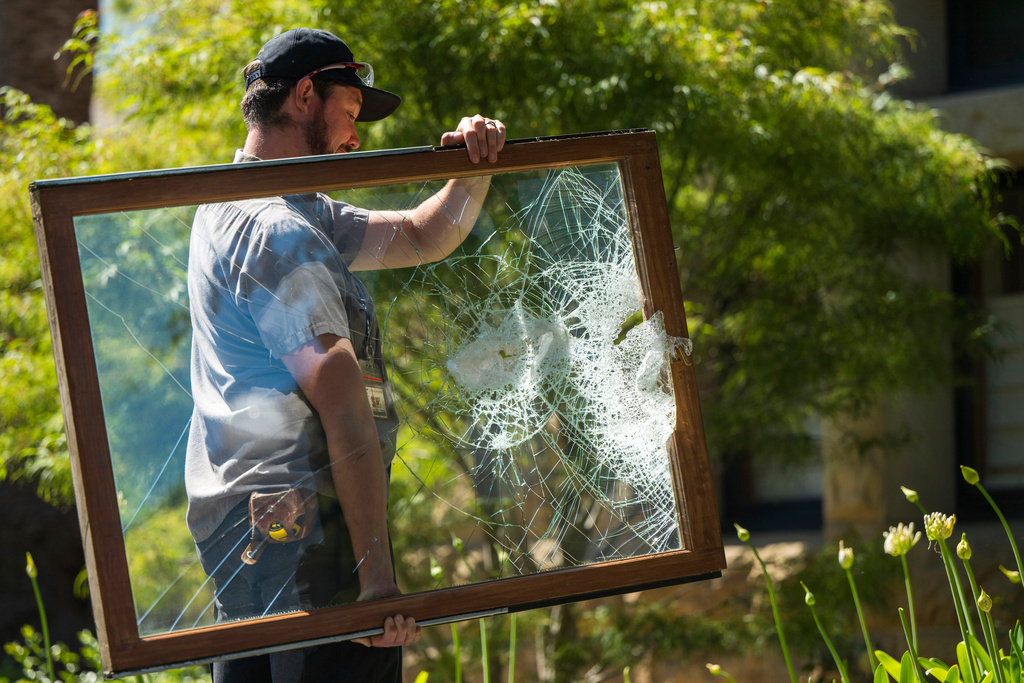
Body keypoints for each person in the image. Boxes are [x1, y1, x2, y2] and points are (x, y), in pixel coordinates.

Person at [184, 27, 506, 682]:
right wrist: (377, 583)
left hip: (269, 539)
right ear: (304, 95)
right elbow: (337, 385)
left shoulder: (281, 207)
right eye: (349, 115)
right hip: (303, 543)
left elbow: (419, 234)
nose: (356, 139)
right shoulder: (271, 227)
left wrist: (475, 168)